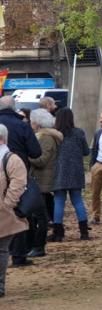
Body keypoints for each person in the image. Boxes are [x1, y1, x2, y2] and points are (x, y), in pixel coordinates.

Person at [0, 96, 42, 267]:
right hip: (18, 173)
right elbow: (35, 152)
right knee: (18, 214)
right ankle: (18, 255)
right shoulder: (22, 126)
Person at [50, 108, 90, 242]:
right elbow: (86, 151)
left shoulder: (54, 134)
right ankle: (84, 232)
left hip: (59, 170)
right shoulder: (78, 132)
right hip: (75, 171)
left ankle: (58, 232)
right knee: (77, 201)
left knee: (59, 202)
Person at [0, 124, 29, 297]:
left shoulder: (11, 159)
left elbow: (19, 184)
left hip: (3, 213)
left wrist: (7, 205)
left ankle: (0, 285)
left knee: (1, 250)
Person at [29, 108, 61, 256]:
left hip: (43, 181)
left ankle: (38, 246)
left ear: (37, 123)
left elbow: (42, 160)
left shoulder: (46, 138)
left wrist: (26, 156)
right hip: (39, 179)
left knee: (40, 216)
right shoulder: (41, 136)